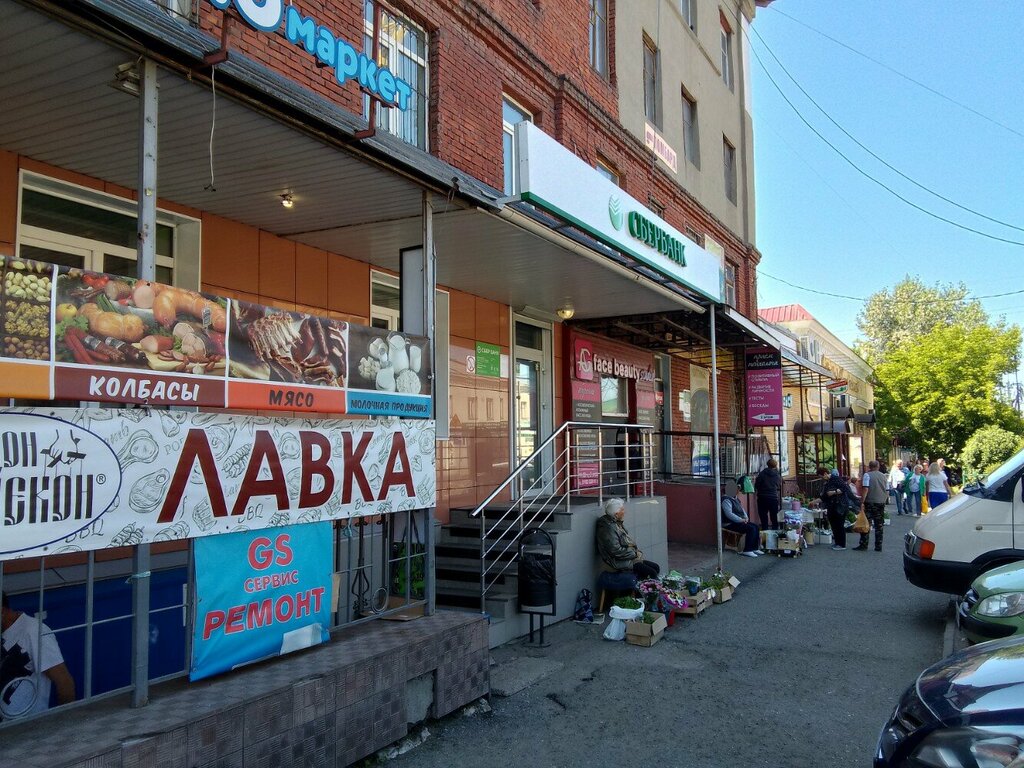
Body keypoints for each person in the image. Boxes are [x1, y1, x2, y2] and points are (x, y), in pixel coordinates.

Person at [1, 592, 75, 720]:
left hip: (27, 725)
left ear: (1, 611)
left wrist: (66, 724)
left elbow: (64, 682)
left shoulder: (34, 631)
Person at [595, 498, 660, 579]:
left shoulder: (615, 522)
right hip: (617, 561)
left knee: (655, 567)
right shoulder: (608, 528)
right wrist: (634, 553)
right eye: (622, 510)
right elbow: (616, 551)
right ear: (616, 514)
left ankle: (644, 585)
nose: (624, 512)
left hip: (626, 558)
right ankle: (646, 586)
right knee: (652, 573)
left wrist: (635, 553)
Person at [818, 466, 859, 551]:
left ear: (825, 473)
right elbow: (824, 496)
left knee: (839, 525)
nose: (821, 479)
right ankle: (837, 542)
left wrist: (834, 492)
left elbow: (845, 488)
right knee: (834, 525)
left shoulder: (835, 479)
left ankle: (842, 544)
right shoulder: (827, 482)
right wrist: (814, 502)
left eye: (821, 476)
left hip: (840, 505)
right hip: (832, 506)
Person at [721, 478, 763, 557]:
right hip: (729, 523)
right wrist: (741, 520)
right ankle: (747, 550)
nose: (738, 491)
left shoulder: (735, 499)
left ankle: (755, 548)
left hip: (738, 522)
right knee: (751, 529)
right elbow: (729, 514)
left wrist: (746, 518)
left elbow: (742, 510)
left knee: (756, 527)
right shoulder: (726, 500)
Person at [856, 460, 888, 552]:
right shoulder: (883, 476)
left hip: (870, 501)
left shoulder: (867, 475)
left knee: (866, 523)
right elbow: (887, 489)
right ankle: (878, 545)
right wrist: (884, 499)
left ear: (869, 467)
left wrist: (862, 501)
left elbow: (865, 488)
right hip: (880, 502)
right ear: (878, 467)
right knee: (879, 524)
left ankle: (864, 544)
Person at [754, 458, 783, 530]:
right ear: (775, 466)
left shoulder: (762, 474)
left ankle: (765, 534)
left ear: (767, 464)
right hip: (773, 498)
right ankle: (775, 534)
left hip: (762, 498)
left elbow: (757, 485)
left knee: (763, 518)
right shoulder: (777, 475)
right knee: (774, 518)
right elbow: (778, 485)